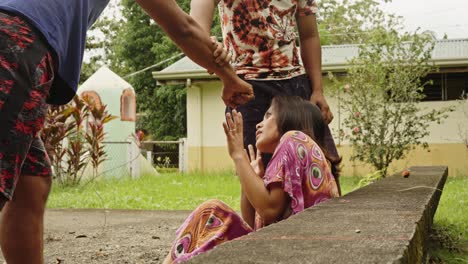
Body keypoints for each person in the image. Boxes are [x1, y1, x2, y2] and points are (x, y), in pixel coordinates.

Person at [0, 0, 253, 263]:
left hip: (20, 43)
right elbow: (184, 28)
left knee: (31, 181)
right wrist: (229, 77)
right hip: (15, 42)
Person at [164, 96, 341, 263]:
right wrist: (250, 178)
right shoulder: (296, 160)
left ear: (291, 117)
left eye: (269, 116)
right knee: (210, 210)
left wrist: (238, 155)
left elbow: (269, 209)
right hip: (291, 252)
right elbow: (253, 230)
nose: (258, 124)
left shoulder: (293, 138)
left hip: (301, 254)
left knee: (212, 211)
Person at [190, 0, 341, 186]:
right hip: (245, 88)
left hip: (296, 86)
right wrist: (209, 48)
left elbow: (309, 35)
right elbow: (194, 31)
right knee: (258, 175)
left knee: (322, 171)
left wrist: (317, 90)